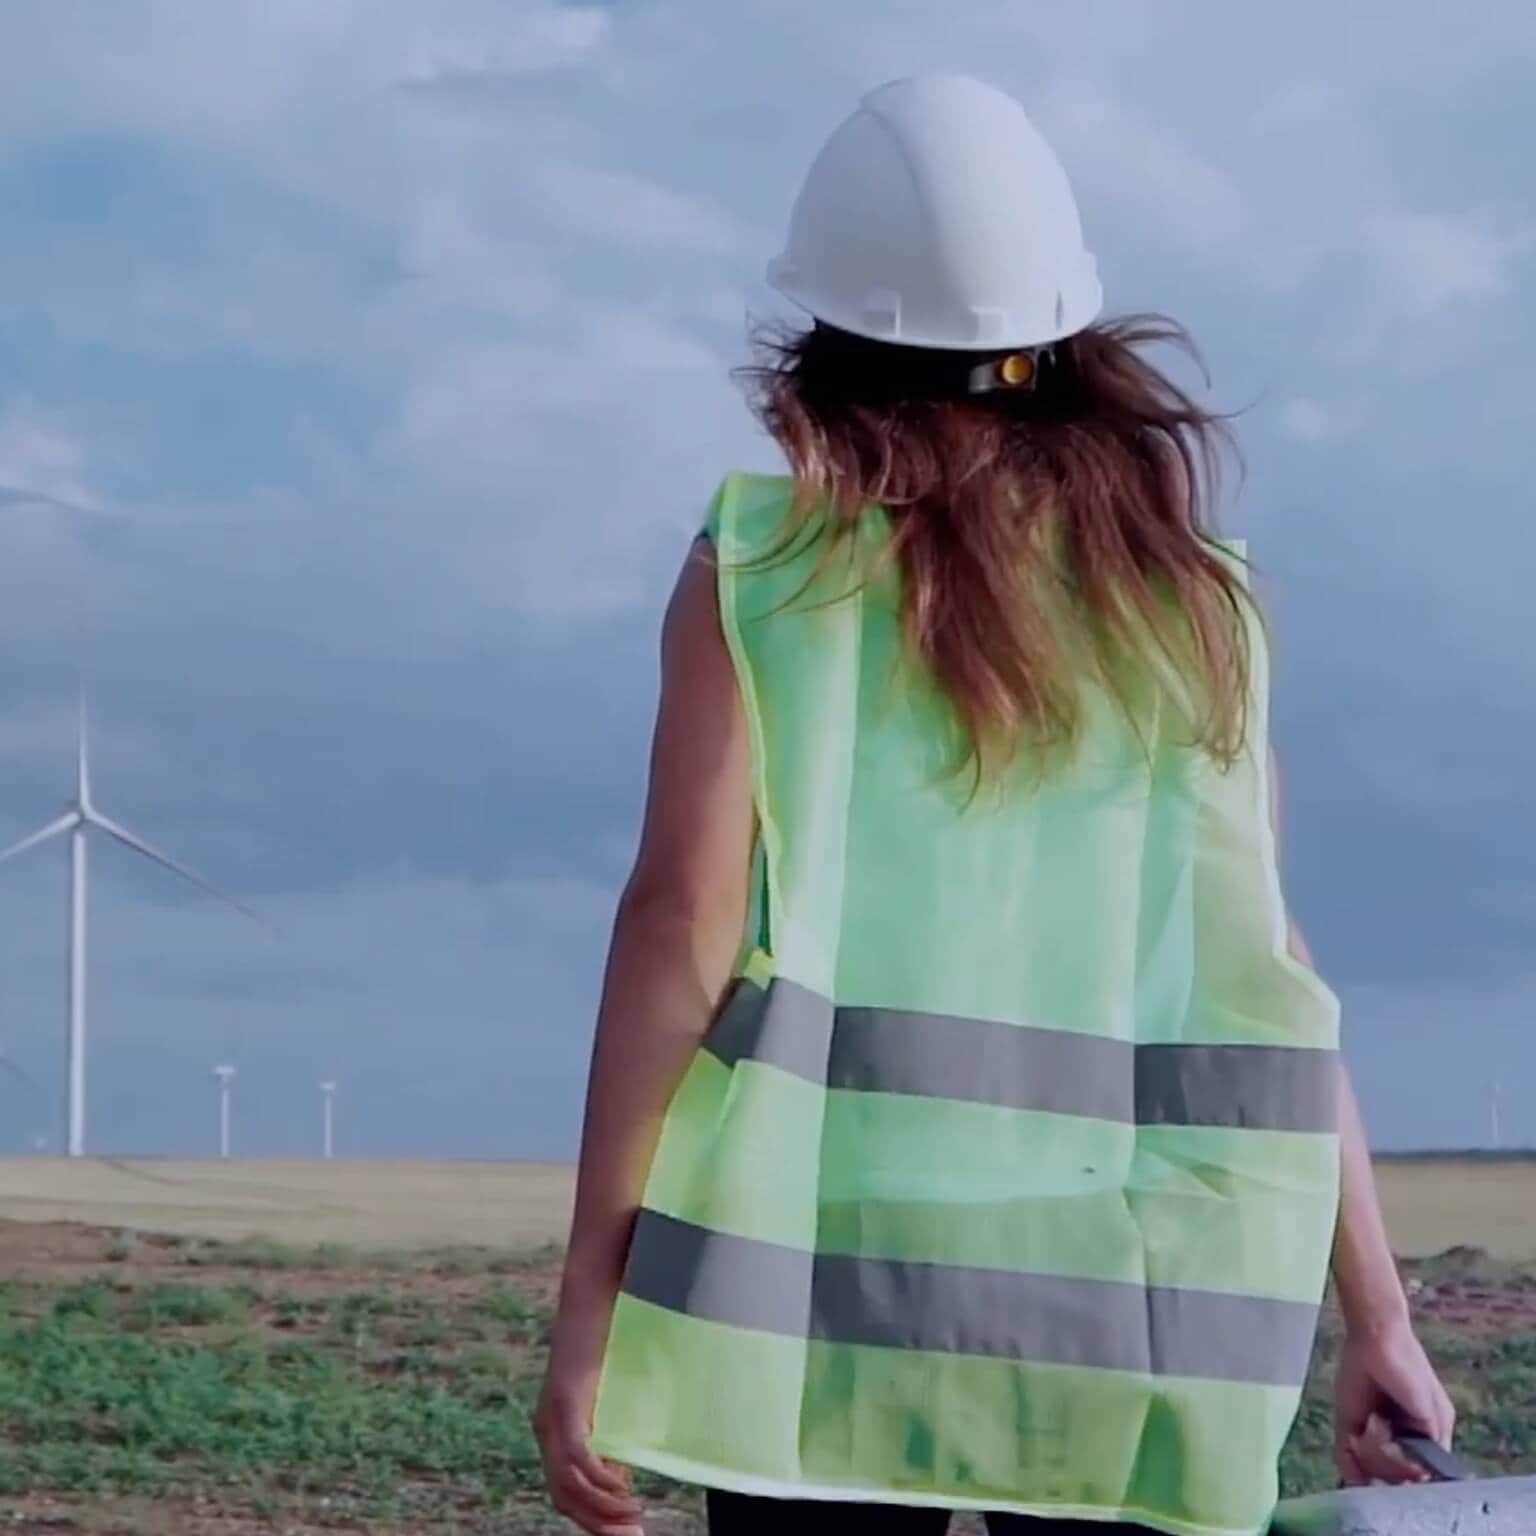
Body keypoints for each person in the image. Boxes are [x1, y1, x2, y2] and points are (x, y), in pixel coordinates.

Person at [534, 74, 1454, 1536]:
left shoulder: (765, 573)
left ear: (823, 346)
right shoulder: (1199, 610)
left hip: (817, 1319)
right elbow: (1266, 985)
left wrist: (597, 1292)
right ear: (1061, 337)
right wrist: (1379, 1319)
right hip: (1135, 1319)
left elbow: (683, 922)